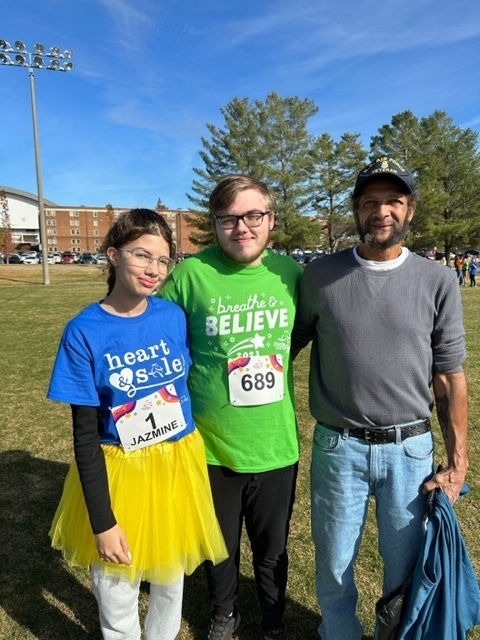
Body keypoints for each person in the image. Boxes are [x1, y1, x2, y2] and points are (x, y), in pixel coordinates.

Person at [291, 157, 469, 640]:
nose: (381, 211)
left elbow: (451, 376)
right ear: (356, 209)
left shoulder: (439, 280)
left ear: (410, 209)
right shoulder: (319, 276)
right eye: (370, 201)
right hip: (337, 447)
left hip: (410, 451)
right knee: (332, 565)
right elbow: (283, 344)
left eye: (393, 200)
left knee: (404, 573)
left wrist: (458, 462)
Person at [47, 209, 227, 640]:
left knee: (170, 579)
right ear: (113, 255)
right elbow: (84, 436)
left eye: (163, 260)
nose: (154, 269)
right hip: (120, 469)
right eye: (141, 255)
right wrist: (102, 521)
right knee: (116, 584)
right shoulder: (83, 331)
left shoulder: (172, 318)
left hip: (176, 464)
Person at [160, 175, 303, 640]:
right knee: (217, 546)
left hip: (274, 443)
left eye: (253, 216)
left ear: (271, 220)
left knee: (272, 547)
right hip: (209, 445)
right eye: (229, 218)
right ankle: (224, 614)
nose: (242, 227)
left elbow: (313, 329)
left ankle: (274, 620)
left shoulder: (293, 275)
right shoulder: (189, 276)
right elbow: (155, 336)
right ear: (215, 224)